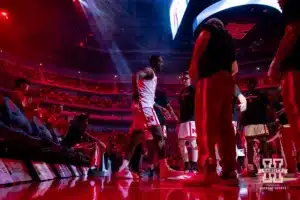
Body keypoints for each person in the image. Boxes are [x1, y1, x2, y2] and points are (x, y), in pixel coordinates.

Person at [186, 18, 238, 185]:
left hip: (210, 79)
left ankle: (207, 170)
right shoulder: (228, 39)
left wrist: (193, 64)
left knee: (206, 123)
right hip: (227, 81)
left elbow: (203, 38)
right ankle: (230, 171)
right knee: (226, 127)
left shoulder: (210, 29)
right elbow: (235, 67)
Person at [117, 55, 183, 179]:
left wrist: (161, 108)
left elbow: (150, 99)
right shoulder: (149, 71)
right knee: (159, 135)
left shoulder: (152, 77)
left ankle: (122, 168)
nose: (162, 64)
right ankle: (164, 169)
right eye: (160, 62)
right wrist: (135, 92)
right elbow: (136, 75)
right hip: (145, 108)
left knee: (134, 140)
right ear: (154, 62)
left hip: (141, 107)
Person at [268, 0, 300, 175]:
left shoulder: (292, 6)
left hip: (295, 68)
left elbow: (291, 31)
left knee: (296, 113)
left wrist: (276, 62)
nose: (277, 2)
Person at [241, 79, 270, 177]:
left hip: (260, 121)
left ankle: (268, 168)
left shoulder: (262, 95)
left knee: (264, 145)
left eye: (252, 83)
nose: (250, 85)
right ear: (247, 85)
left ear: (255, 84)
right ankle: (251, 169)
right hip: (249, 123)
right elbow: (242, 112)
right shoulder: (244, 97)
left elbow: (268, 108)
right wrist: (240, 125)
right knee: (249, 146)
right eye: (249, 83)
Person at [177, 71, 198, 174]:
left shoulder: (194, 90)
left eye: (186, 78)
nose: (184, 80)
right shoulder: (181, 92)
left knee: (193, 142)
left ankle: (194, 166)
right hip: (183, 121)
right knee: (181, 143)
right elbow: (181, 107)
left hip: (192, 119)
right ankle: (187, 165)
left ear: (190, 79)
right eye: (183, 78)